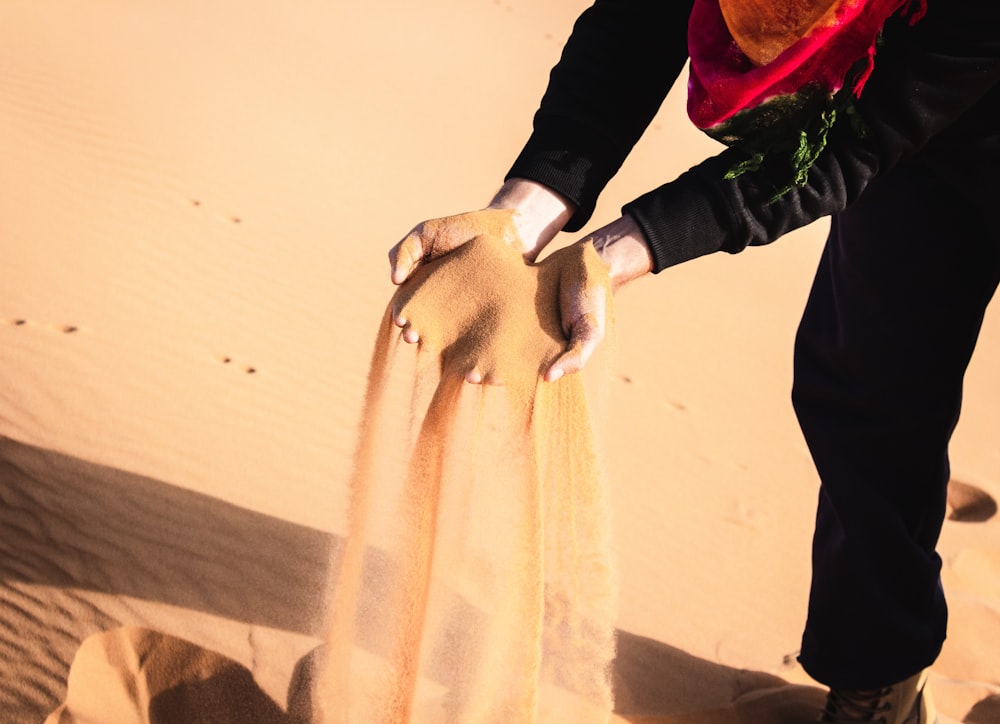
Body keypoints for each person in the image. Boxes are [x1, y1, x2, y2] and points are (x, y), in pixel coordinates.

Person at [387, 1, 1000, 721]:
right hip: (912, 122)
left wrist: (626, 247)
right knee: (866, 394)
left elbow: (849, 146)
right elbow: (640, 20)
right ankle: (880, 673)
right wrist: (532, 208)